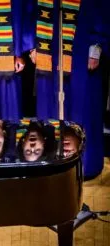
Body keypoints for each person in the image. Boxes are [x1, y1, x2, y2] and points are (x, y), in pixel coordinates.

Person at [25, 0, 109, 177]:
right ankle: (51, 160)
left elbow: (101, 7)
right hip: (47, 40)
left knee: (83, 102)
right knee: (50, 103)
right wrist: (31, 43)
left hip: (81, 39)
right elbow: (28, 7)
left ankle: (84, 163)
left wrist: (97, 45)